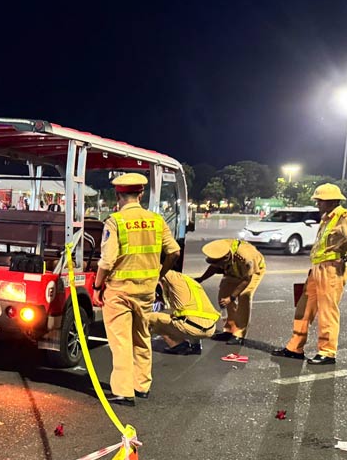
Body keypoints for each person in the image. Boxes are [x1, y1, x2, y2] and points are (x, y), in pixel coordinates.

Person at [92, 173, 180, 406]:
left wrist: (97, 286)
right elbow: (174, 252)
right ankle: (142, 385)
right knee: (142, 336)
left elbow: (107, 261)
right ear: (141, 194)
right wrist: (160, 274)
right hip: (146, 291)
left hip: (119, 292)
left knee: (121, 341)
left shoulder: (115, 221)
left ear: (117, 194)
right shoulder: (156, 220)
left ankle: (123, 391)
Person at [272, 183, 347, 364]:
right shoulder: (327, 217)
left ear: (331, 201)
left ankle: (327, 352)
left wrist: (345, 260)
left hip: (331, 269)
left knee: (327, 312)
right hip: (317, 270)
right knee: (303, 309)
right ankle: (295, 348)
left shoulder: (344, 217)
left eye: (320, 201)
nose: (317, 204)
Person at [194, 238, 266, 346]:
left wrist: (231, 298)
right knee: (223, 294)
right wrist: (201, 279)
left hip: (252, 272)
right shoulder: (221, 250)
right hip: (234, 269)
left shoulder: (246, 258)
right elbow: (214, 267)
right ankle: (230, 329)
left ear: (226, 258)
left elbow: (246, 280)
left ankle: (239, 334)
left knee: (243, 296)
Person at [148, 270, 220, 355]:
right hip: (210, 328)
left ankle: (176, 345)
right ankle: (195, 345)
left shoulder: (172, 278)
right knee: (190, 316)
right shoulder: (191, 282)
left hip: (192, 328)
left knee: (149, 317)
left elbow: (159, 269)